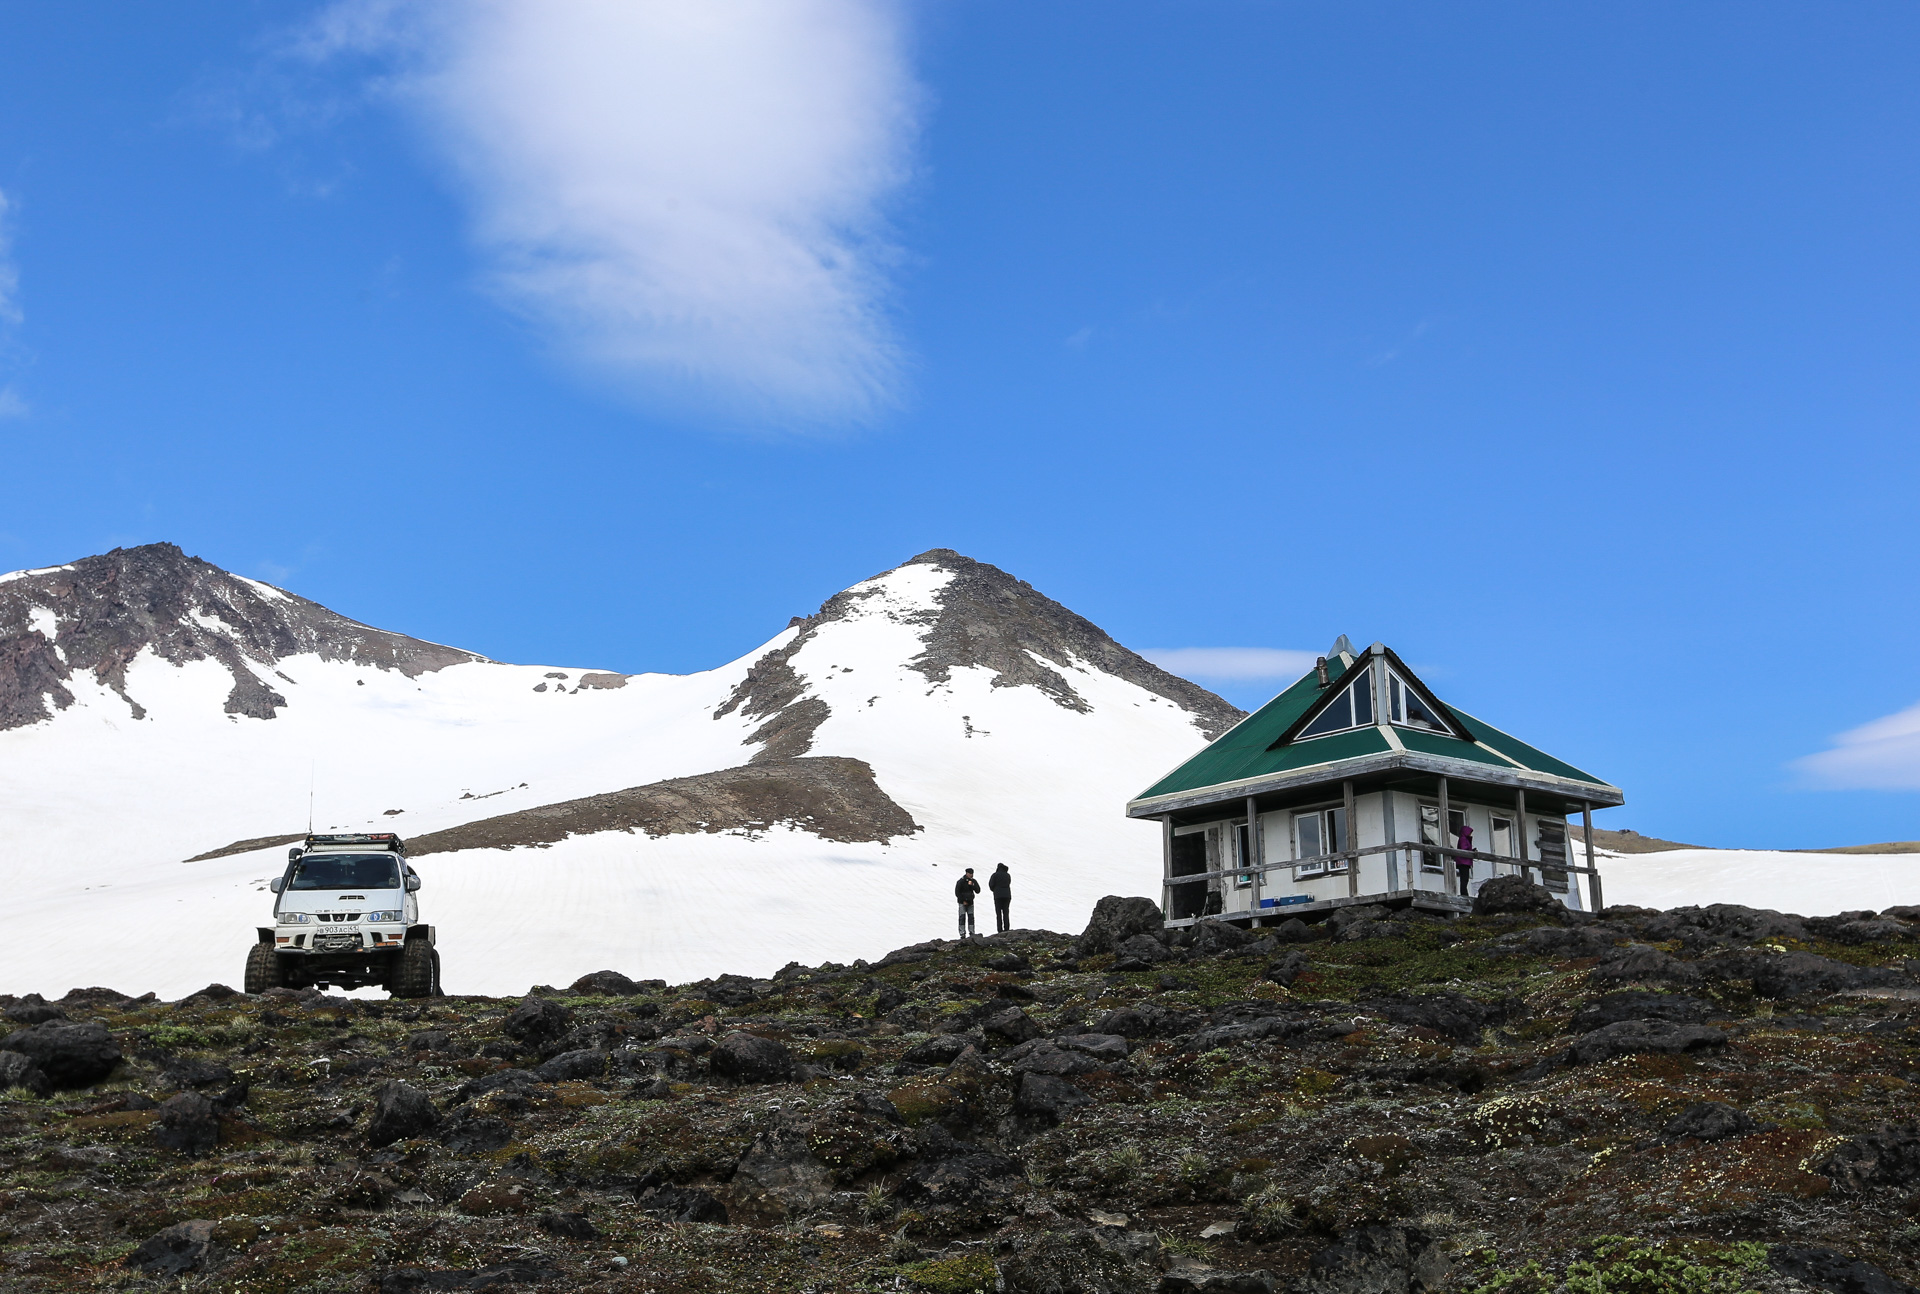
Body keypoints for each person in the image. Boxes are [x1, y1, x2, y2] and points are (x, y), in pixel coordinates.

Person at [955, 868, 982, 937]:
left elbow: (978, 890)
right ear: (966, 873)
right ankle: (962, 933)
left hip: (970, 902)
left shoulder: (973, 881)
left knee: (971, 918)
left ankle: (972, 932)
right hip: (962, 903)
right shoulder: (961, 881)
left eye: (972, 874)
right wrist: (963, 900)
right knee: (962, 917)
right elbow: (957, 892)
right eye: (970, 874)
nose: (971, 875)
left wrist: (973, 885)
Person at [988, 863, 1012, 933]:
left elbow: (991, 885)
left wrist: (995, 890)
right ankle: (1007, 928)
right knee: (1006, 912)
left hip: (998, 896)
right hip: (1007, 896)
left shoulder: (995, 875)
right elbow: (1009, 883)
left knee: (998, 913)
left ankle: (1000, 930)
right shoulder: (1007, 875)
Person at [1453, 823, 1475, 896]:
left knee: (1465, 879)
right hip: (1463, 862)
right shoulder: (1463, 839)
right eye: (1469, 833)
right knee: (1464, 879)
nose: (1470, 834)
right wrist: (1471, 851)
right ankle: (1464, 893)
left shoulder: (1464, 839)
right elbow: (1464, 849)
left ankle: (1464, 892)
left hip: (1464, 862)